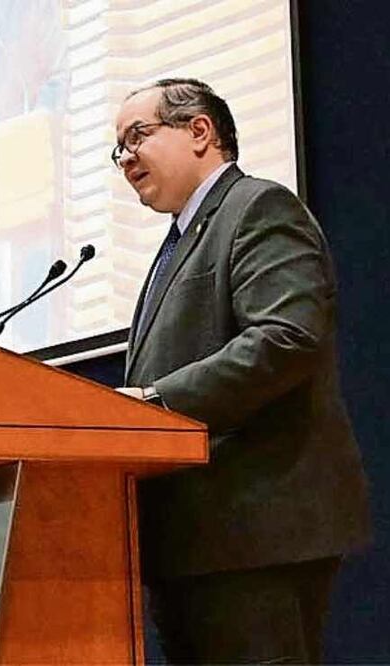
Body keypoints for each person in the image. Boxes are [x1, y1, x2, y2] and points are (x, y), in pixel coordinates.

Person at [114, 78, 370, 663]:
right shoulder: (177, 242)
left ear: (199, 131)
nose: (126, 158)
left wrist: (154, 402)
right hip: (192, 542)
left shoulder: (256, 207)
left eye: (138, 136)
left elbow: (286, 338)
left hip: (254, 531)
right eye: (119, 148)